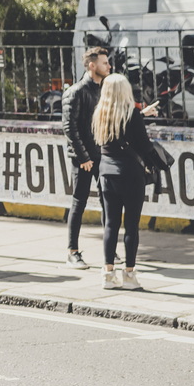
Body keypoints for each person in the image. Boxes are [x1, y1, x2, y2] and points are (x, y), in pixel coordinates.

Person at [90, 73, 159, 291]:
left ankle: (108, 275)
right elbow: (145, 146)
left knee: (110, 224)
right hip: (130, 174)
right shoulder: (133, 115)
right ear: (125, 91)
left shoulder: (100, 113)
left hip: (107, 173)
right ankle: (129, 274)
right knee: (131, 226)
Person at [59, 46, 110, 269]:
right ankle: (72, 252)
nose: (108, 66)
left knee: (108, 201)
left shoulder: (102, 89)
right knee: (79, 203)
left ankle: (110, 249)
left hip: (102, 154)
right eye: (104, 63)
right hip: (84, 158)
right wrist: (83, 157)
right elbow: (70, 128)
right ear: (91, 65)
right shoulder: (75, 92)